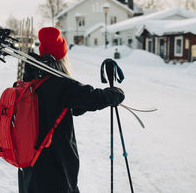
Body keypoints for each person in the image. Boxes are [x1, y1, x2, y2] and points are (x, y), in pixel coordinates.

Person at [18, 27, 125, 193]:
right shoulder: (60, 85)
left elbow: (61, 105)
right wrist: (113, 95)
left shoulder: (31, 80)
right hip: (55, 173)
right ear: (62, 58)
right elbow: (91, 97)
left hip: (30, 171)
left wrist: (77, 106)